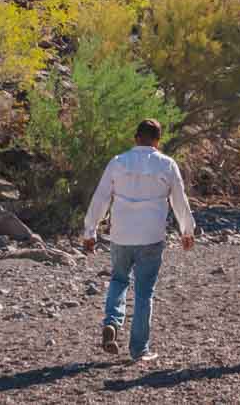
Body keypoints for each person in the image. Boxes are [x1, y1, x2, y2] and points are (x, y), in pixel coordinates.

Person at [82, 118, 196, 363]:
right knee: (144, 292)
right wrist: (187, 230)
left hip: (121, 234)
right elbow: (179, 200)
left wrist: (90, 230)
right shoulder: (167, 164)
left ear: (136, 138)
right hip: (151, 236)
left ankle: (112, 322)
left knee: (119, 279)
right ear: (158, 141)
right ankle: (139, 349)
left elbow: (101, 197)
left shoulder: (118, 162)